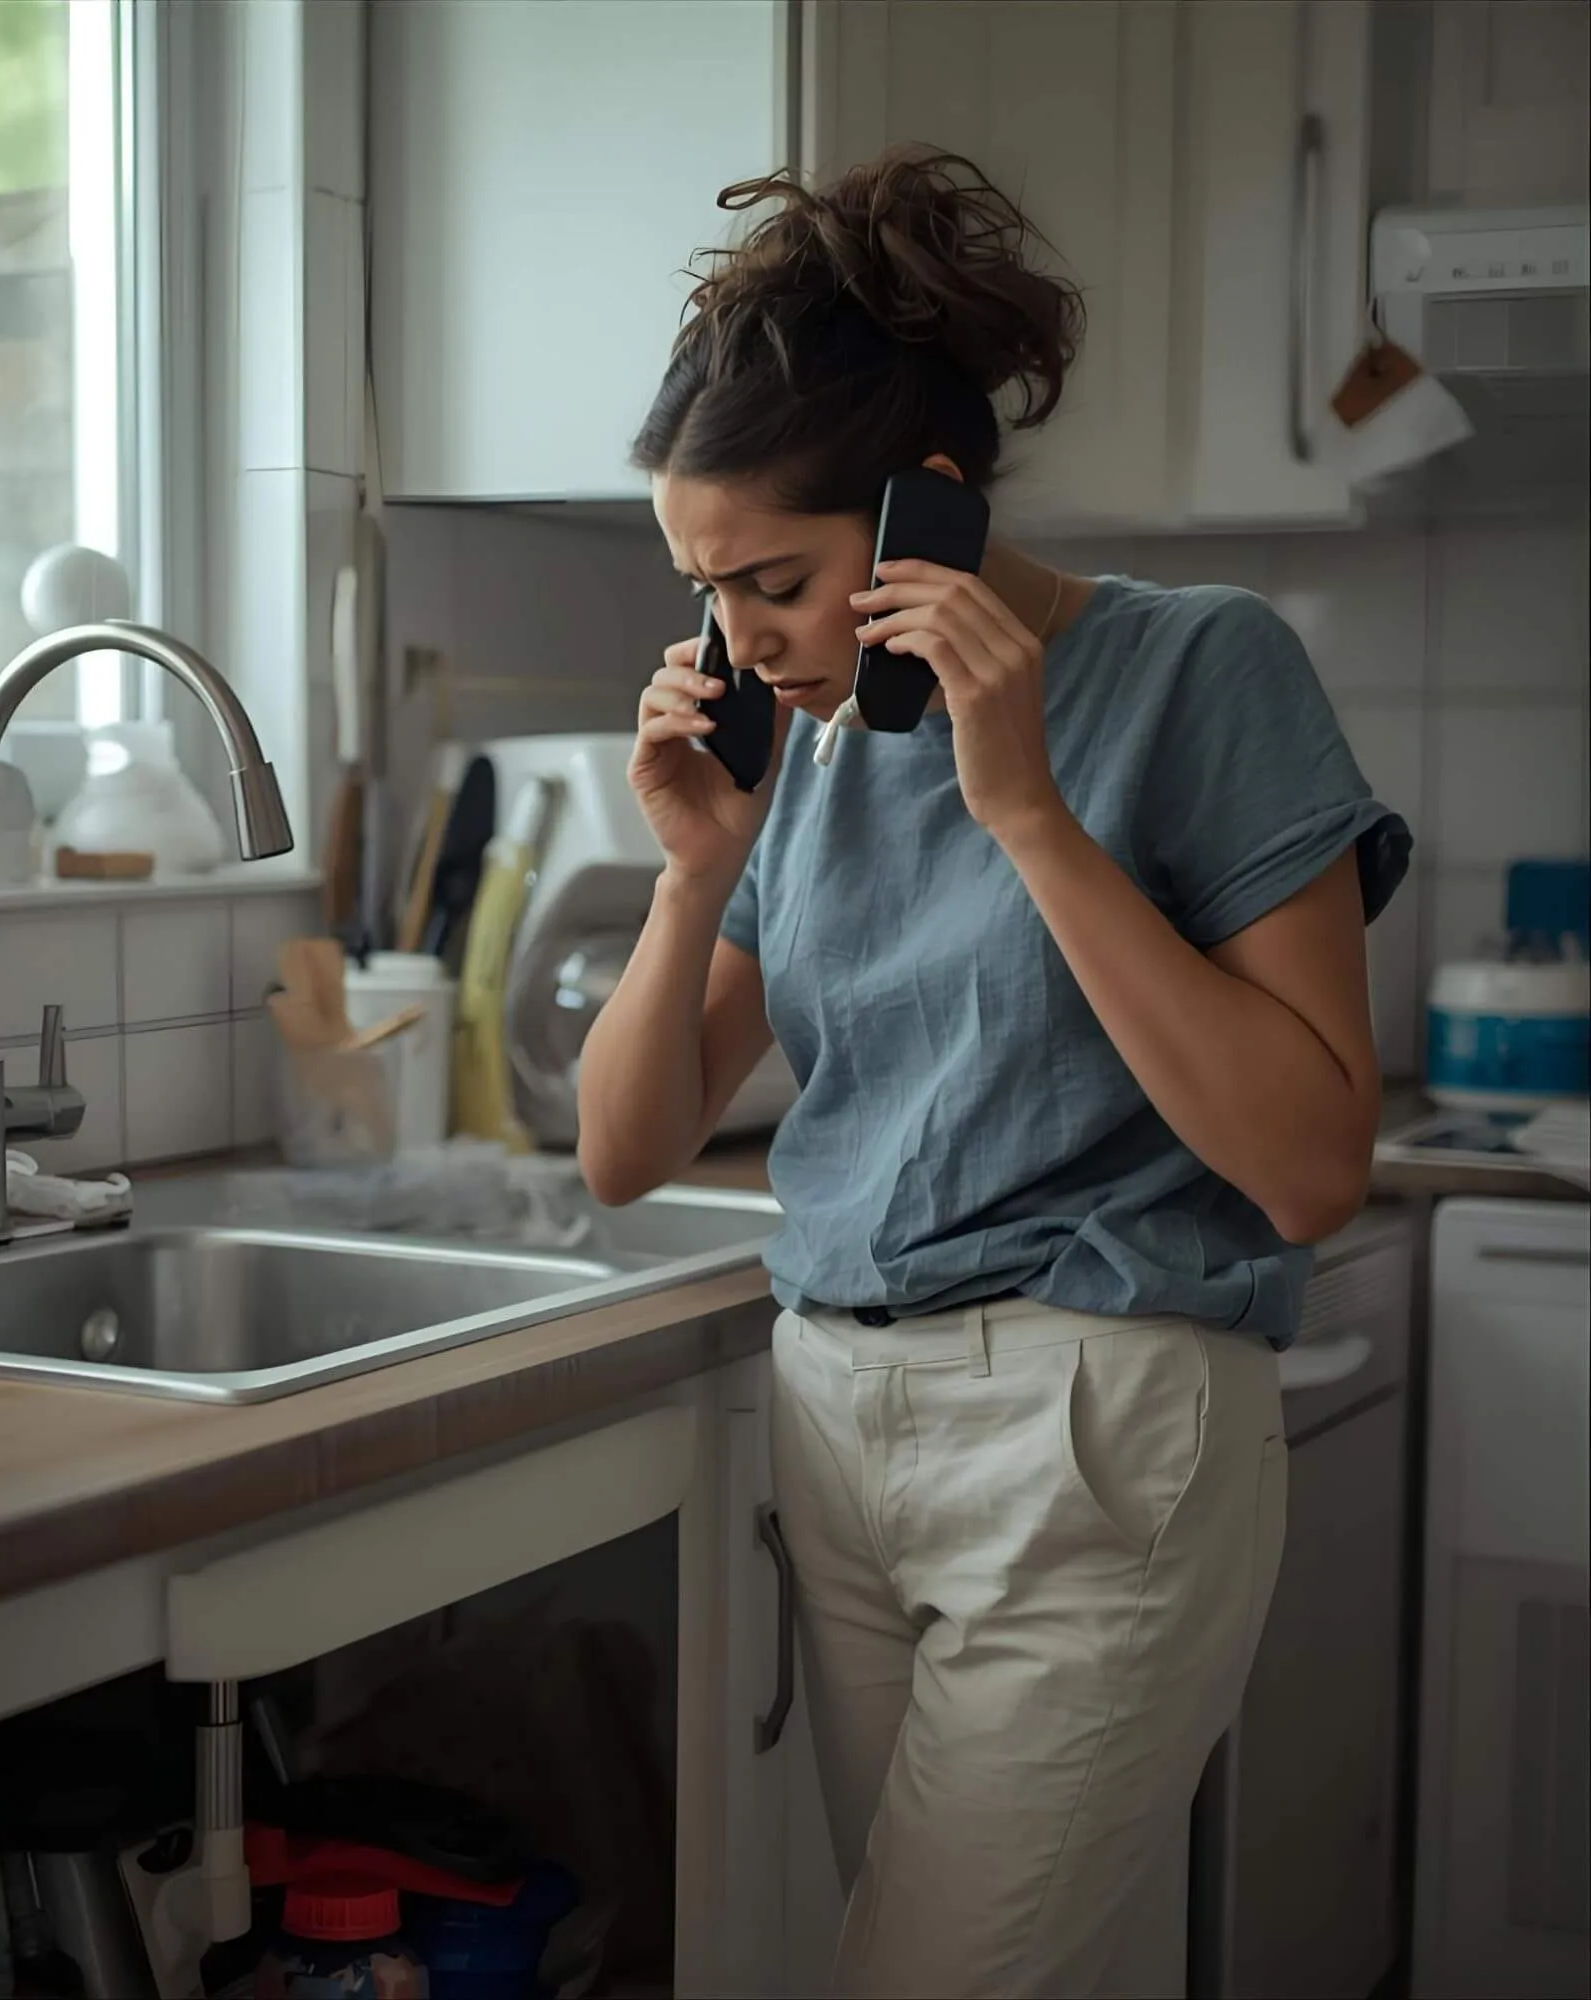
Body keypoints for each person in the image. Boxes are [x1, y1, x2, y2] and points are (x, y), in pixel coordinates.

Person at [577, 148, 1411, 1999]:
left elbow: (1310, 1167)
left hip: (1093, 1445)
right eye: (708, 596)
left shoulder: (1204, 672)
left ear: (928, 513)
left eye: (775, 581)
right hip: (843, 1434)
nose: (741, 643)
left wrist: (1023, 805)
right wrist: (697, 866)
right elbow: (624, 1149)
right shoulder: (795, 755)